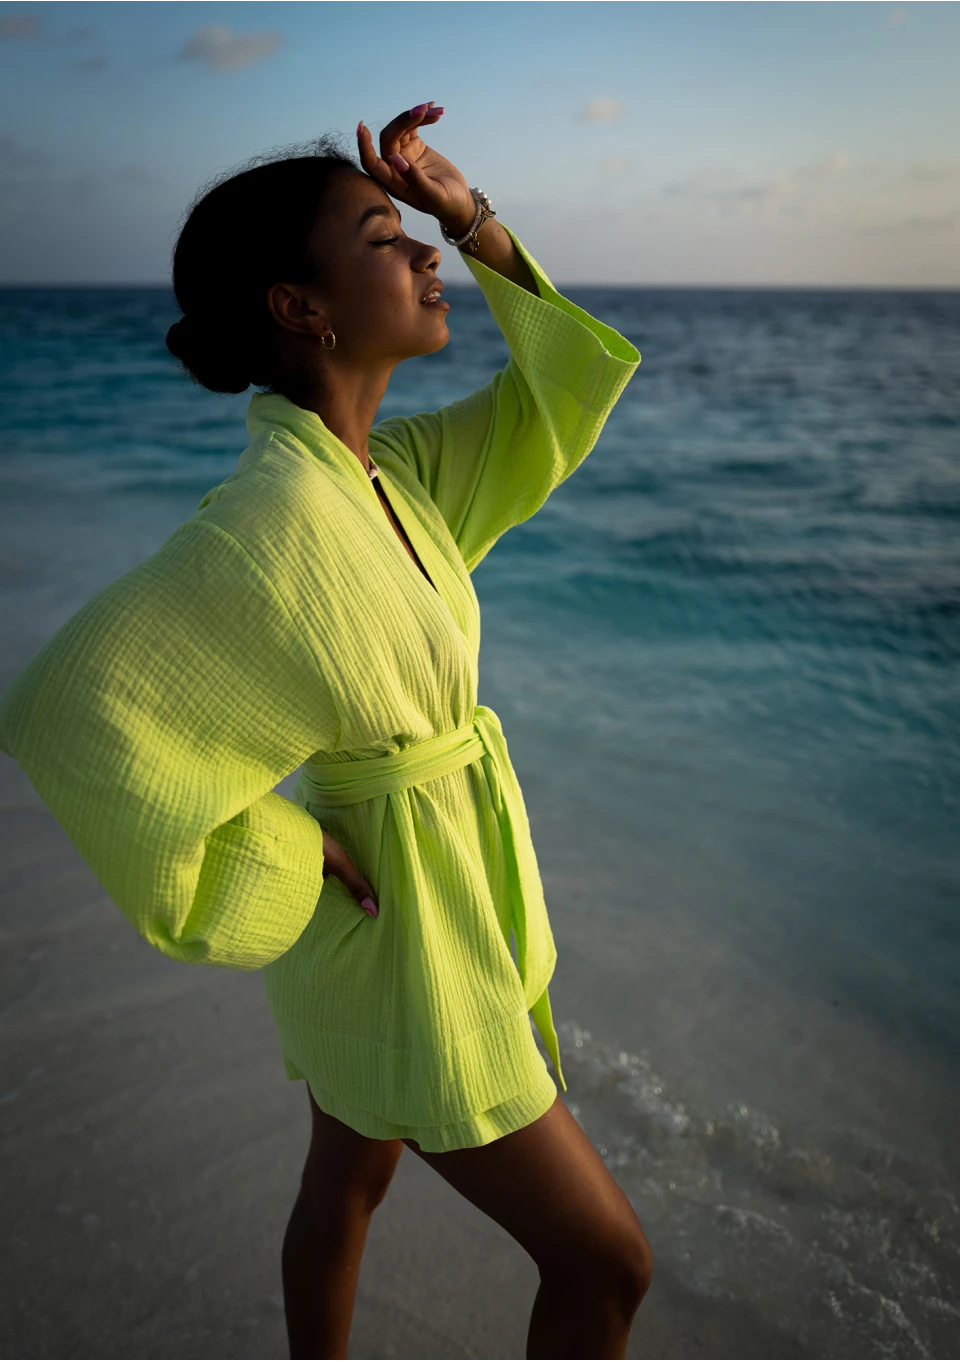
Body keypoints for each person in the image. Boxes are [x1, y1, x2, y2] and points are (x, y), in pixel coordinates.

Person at [0, 102, 649, 1358]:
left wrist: (474, 215)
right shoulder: (272, 522)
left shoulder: (393, 475)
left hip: (399, 911)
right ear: (301, 307)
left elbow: (559, 399)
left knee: (346, 1184)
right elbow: (73, 713)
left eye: (419, 236)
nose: (424, 254)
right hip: (404, 932)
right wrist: (285, 853)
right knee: (607, 1260)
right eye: (385, 237)